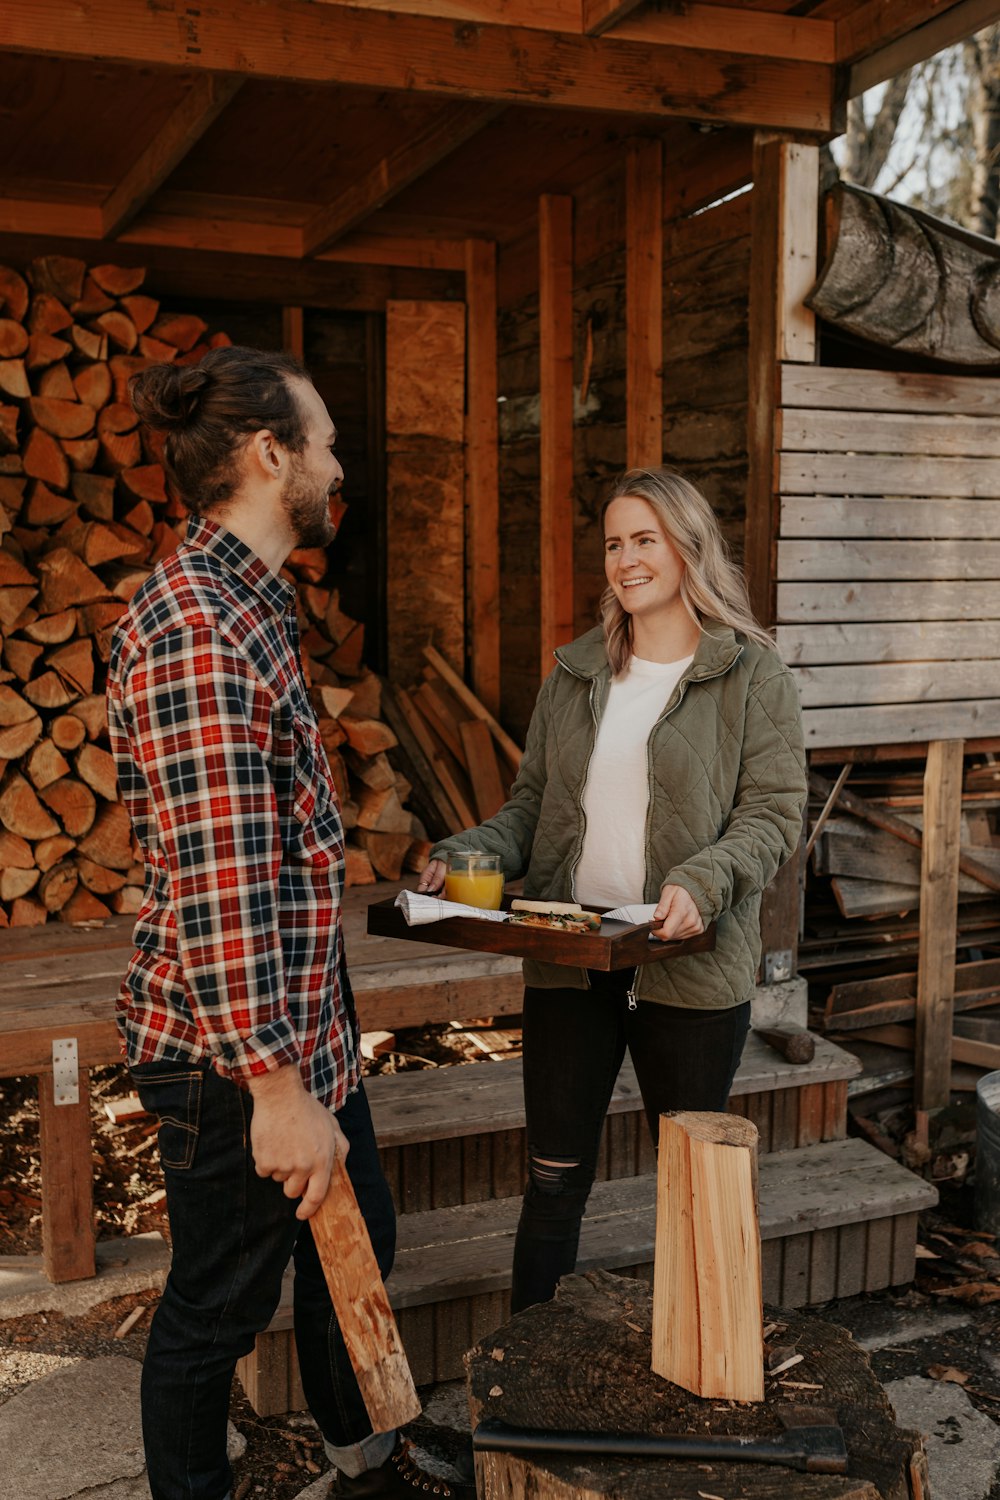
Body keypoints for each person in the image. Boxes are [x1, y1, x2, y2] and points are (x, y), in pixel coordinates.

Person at [107, 347, 468, 1500]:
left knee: (357, 1249)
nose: (337, 462)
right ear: (271, 455)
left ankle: (363, 1457)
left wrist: (312, 1056)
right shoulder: (198, 629)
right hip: (231, 1057)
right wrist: (272, 1089)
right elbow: (219, 884)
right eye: (323, 440)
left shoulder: (257, 603)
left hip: (303, 1018)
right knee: (216, 1308)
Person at [419, 466, 807, 1313]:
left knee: (692, 1187)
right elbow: (528, 811)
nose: (626, 560)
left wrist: (704, 879)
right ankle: (527, 1374)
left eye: (645, 539)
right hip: (570, 960)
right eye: (613, 543)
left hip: (690, 965)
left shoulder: (752, 677)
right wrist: (465, 852)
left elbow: (775, 817)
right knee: (553, 1181)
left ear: (686, 546)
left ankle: (700, 1369)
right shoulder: (575, 674)